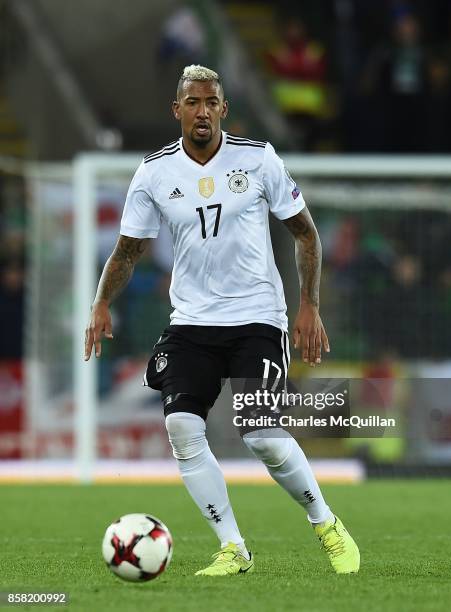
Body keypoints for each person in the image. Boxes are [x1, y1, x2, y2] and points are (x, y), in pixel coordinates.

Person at [84, 65, 360, 576]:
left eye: (212, 102)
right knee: (183, 428)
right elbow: (127, 251)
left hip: (257, 316)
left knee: (260, 435)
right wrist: (101, 303)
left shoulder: (258, 160)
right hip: (191, 322)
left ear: (223, 109)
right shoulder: (154, 173)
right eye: (193, 102)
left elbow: (306, 234)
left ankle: (325, 522)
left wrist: (309, 304)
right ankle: (233, 547)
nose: (203, 111)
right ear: (178, 111)